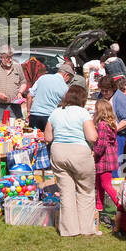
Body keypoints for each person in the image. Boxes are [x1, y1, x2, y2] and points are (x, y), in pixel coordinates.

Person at [45, 85, 99, 237]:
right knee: (85, 190)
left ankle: (69, 230)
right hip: (79, 153)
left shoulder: (55, 112)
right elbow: (92, 137)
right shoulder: (83, 113)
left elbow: (48, 137)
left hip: (58, 152)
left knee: (66, 192)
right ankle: (86, 229)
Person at [92, 99, 121, 226]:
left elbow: (101, 144)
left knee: (105, 184)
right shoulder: (111, 124)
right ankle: (98, 208)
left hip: (104, 158)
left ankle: (120, 206)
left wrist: (94, 153)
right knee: (98, 184)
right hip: (106, 158)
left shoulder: (103, 125)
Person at [0, 46, 27, 122]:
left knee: (16, 128)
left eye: (11, 57)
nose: (10, 60)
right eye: (7, 58)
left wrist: (20, 92)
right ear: (1, 57)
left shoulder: (17, 67)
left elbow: (23, 83)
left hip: (14, 106)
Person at [28, 60, 73, 131]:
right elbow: (66, 104)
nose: (67, 81)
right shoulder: (64, 87)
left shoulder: (43, 78)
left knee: (32, 139)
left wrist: (28, 111)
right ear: (66, 75)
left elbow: (29, 95)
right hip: (49, 117)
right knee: (48, 140)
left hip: (34, 115)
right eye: (69, 79)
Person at [100, 75, 126, 177]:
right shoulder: (101, 96)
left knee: (116, 162)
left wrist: (114, 129)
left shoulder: (120, 98)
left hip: (119, 135)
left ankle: (117, 185)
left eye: (106, 91)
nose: (104, 93)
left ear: (113, 89)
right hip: (105, 133)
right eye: (102, 91)